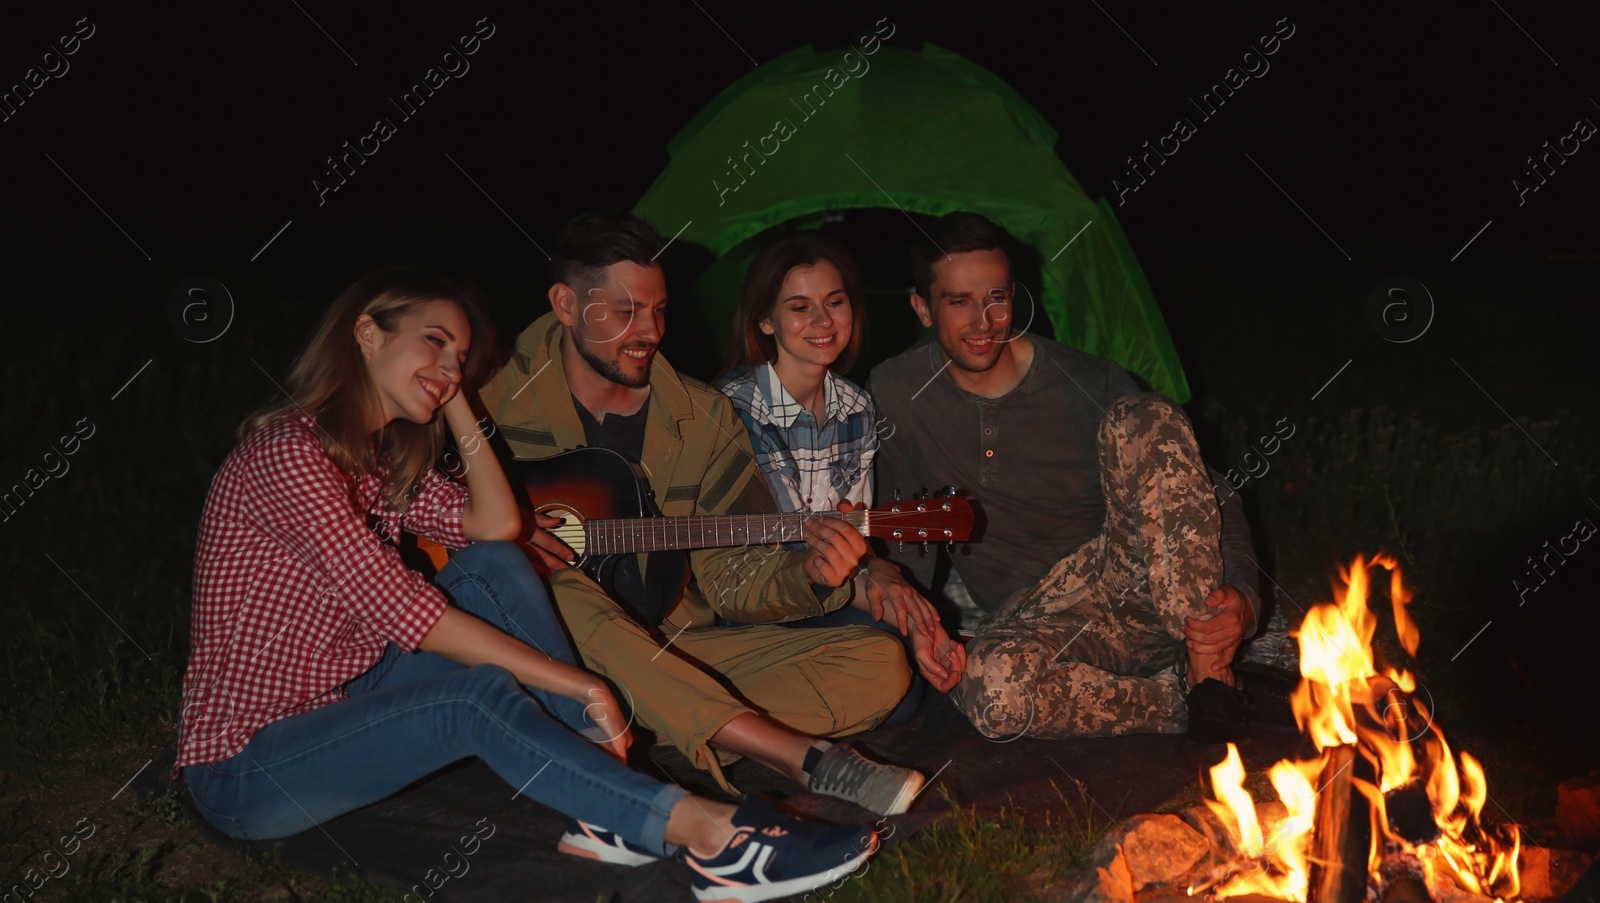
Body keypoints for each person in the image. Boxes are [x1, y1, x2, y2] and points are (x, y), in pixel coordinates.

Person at [175, 267, 877, 903]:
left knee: (499, 565)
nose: (449, 367)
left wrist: (455, 404)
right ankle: (709, 837)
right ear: (366, 331)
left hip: (350, 690)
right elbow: (408, 613)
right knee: (474, 696)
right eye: (435, 343)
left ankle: (606, 809)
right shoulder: (288, 456)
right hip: (249, 763)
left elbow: (496, 522)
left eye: (461, 358)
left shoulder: (376, 461)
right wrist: (579, 686)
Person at [477, 212, 927, 816]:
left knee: (880, 665)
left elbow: (734, 580)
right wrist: (499, 530)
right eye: (625, 311)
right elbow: (396, 485)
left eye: (659, 310)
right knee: (557, 585)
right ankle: (801, 757)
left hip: (666, 644)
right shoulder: (488, 387)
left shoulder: (702, 417)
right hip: (528, 647)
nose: (649, 332)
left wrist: (812, 577)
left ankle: (640, 724)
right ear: (565, 304)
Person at [869, 213, 1261, 743]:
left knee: (1145, 414)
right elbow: (907, 529)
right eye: (959, 302)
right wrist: (920, 626)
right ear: (922, 308)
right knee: (991, 689)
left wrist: (1242, 596)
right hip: (1038, 620)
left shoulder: (1088, 381)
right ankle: (1184, 702)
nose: (984, 322)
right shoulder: (897, 391)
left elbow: (1204, 491)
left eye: (997, 298)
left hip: (1138, 583)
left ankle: (1209, 662)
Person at [715, 232, 966, 723]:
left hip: (831, 585)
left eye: (835, 301)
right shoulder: (735, 408)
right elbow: (791, 549)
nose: (823, 321)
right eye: (799, 307)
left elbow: (849, 532)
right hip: (754, 599)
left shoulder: (856, 407)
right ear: (765, 320)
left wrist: (910, 612)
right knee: (892, 679)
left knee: (906, 678)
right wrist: (885, 588)